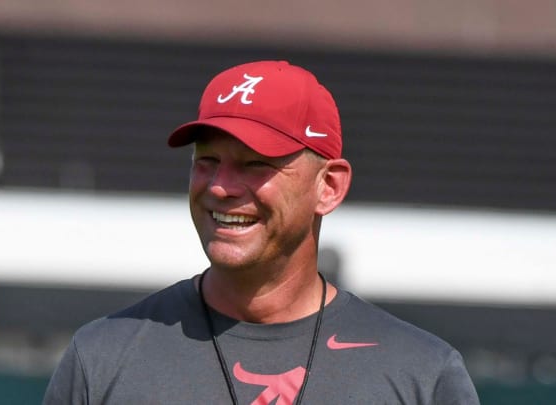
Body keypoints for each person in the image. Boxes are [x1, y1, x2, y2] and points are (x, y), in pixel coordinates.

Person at [42, 60, 480, 404]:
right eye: (206, 162)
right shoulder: (102, 358)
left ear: (328, 187)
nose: (219, 187)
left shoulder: (421, 375)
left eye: (255, 165)